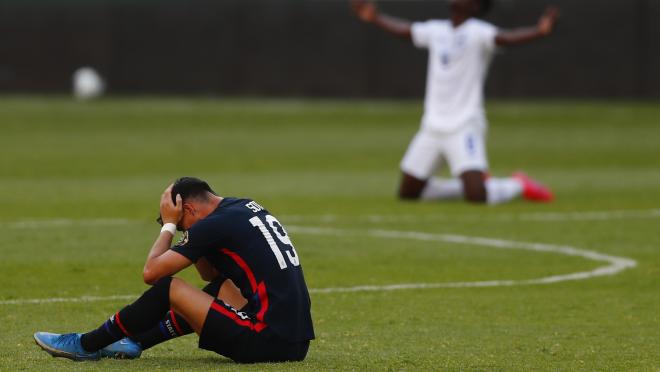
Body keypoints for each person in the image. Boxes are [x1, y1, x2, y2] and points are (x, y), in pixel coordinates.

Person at [34, 177, 314, 363]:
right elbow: (209, 276)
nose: (182, 233)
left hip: (268, 340)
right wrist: (190, 238)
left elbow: (151, 273)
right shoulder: (241, 207)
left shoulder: (213, 225)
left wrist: (167, 226)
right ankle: (134, 342)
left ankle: (86, 344)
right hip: (295, 342)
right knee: (223, 286)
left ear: (189, 209)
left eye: (182, 225)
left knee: (169, 287)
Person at [351, 0, 559, 204]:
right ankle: (467, 185)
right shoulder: (436, 30)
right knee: (409, 193)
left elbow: (505, 38)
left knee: (477, 196)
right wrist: (375, 18)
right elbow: (406, 31)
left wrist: (538, 31)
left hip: (464, 124)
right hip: (432, 125)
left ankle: (517, 184)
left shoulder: (478, 32)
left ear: (475, 5)